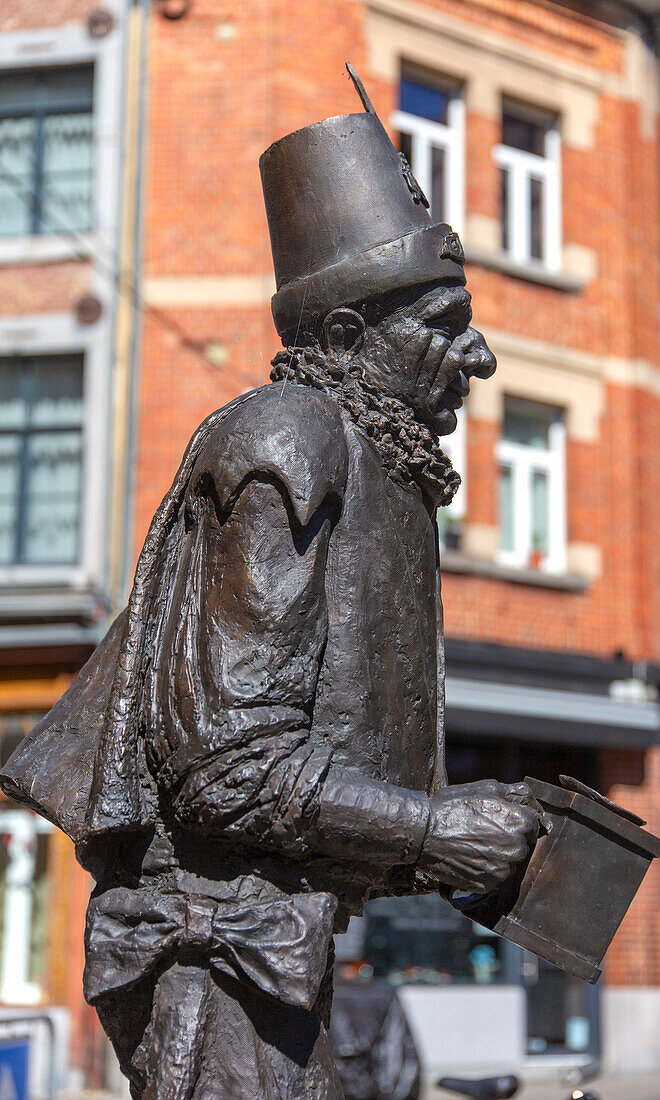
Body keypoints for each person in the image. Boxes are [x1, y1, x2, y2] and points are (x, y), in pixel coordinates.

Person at [0, 68, 542, 1099]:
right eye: (441, 319)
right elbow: (227, 770)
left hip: (276, 953)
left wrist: (453, 851)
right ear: (344, 339)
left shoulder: (377, 464)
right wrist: (431, 831)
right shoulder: (288, 439)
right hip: (217, 967)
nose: (473, 355)